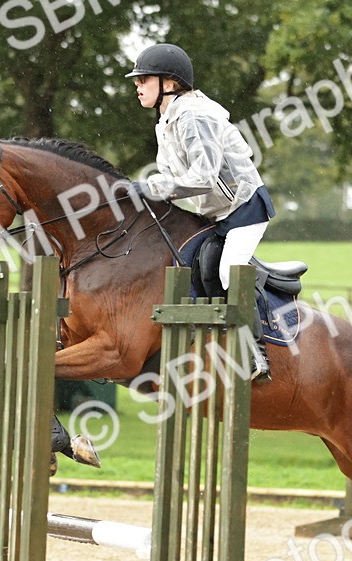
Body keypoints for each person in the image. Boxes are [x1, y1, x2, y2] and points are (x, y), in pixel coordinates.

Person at [125, 43, 275, 382]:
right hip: (216, 213)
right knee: (198, 266)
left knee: (226, 273)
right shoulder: (166, 120)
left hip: (245, 208)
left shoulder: (194, 115)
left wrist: (148, 188)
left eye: (144, 79)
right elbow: (169, 178)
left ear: (170, 82)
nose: (137, 86)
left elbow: (202, 178)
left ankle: (256, 355)